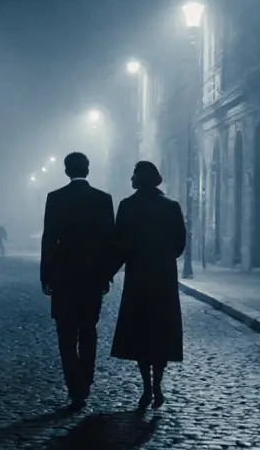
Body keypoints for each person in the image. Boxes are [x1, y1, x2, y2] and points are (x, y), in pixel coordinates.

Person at [108, 160, 186, 411]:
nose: (130, 178)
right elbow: (179, 244)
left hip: (138, 277)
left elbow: (119, 244)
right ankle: (159, 385)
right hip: (162, 277)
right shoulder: (171, 206)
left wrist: (107, 272)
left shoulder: (128, 206)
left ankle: (147, 389)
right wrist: (163, 258)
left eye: (133, 174)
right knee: (160, 332)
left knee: (141, 333)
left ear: (139, 179)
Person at [40, 152, 115, 409]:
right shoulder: (103, 200)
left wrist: (46, 275)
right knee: (88, 329)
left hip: (64, 276)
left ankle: (74, 384)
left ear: (66, 171)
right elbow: (109, 242)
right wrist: (106, 276)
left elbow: (49, 239)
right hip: (92, 276)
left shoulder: (55, 198)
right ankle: (86, 379)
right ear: (88, 169)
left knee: (66, 333)